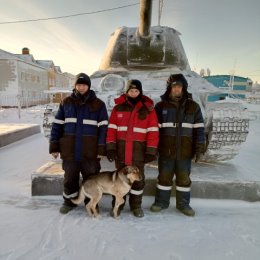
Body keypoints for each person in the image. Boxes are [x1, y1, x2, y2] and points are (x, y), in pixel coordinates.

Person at [49, 73, 108, 214]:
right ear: (75, 86)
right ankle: (69, 202)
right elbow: (57, 125)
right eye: (79, 84)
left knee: (92, 179)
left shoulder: (99, 104)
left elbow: (104, 129)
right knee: (70, 178)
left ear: (88, 86)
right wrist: (54, 146)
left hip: (90, 152)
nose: (81, 87)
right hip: (70, 151)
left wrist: (101, 149)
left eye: (84, 85)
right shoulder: (66, 102)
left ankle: (92, 203)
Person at [150, 74, 205, 216]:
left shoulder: (193, 107)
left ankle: (183, 205)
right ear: (170, 88)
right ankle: (161, 202)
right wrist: (153, 148)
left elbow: (199, 129)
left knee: (184, 179)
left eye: (179, 86)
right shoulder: (161, 106)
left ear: (184, 88)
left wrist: (199, 148)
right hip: (166, 151)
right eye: (174, 86)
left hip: (185, 152)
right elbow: (154, 130)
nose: (176, 89)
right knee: (164, 177)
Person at [106, 79, 159, 218]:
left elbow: (153, 131)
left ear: (140, 92)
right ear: (127, 91)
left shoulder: (148, 110)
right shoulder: (118, 109)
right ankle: (118, 206)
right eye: (131, 90)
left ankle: (136, 206)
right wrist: (111, 148)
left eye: (136, 91)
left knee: (138, 181)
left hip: (138, 153)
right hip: (121, 153)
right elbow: (111, 130)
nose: (134, 93)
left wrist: (151, 151)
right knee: (119, 181)